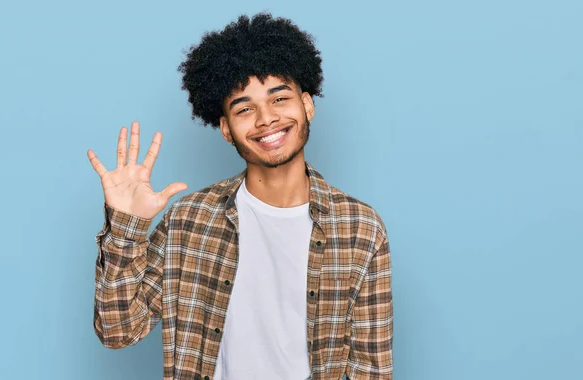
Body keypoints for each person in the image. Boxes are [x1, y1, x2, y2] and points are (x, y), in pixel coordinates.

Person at [87, 12, 392, 380]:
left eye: (279, 99)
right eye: (245, 109)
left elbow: (370, 370)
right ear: (226, 130)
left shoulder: (360, 228)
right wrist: (124, 228)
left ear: (307, 105)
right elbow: (118, 331)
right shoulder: (189, 221)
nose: (266, 119)